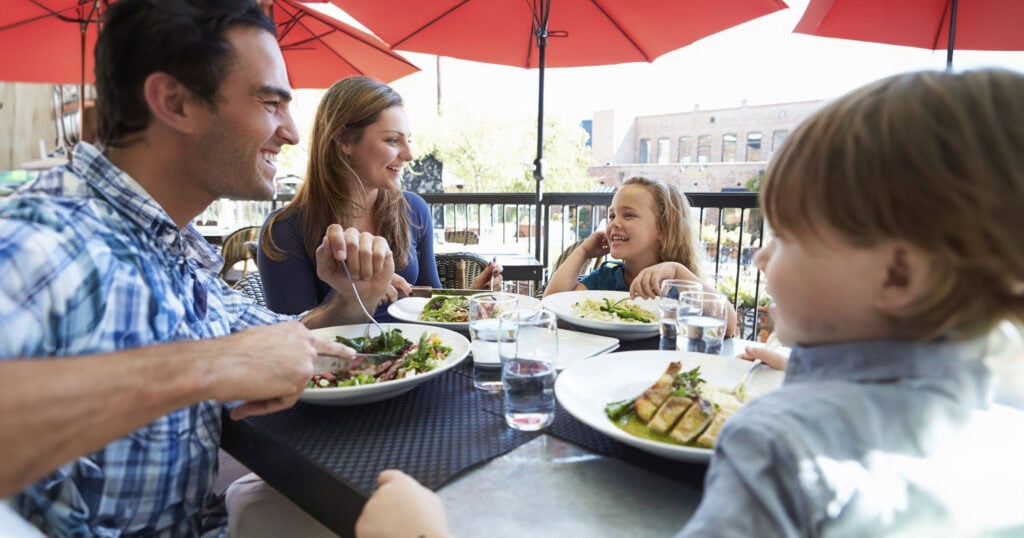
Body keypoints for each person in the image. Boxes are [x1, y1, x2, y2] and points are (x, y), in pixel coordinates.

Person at [354, 68, 1024, 537]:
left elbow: (718, 319)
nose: (761, 256)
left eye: (786, 236)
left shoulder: (777, 444)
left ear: (899, 275)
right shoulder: (1001, 438)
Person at [0, 0, 394, 535]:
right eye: (270, 102)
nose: (294, 132)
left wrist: (345, 304)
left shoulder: (172, 245)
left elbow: (269, 344)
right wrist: (207, 366)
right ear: (175, 101)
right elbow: (225, 357)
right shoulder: (47, 235)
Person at [258, 76, 501, 321]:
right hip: (338, 358)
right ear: (344, 141)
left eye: (408, 139)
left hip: (415, 354)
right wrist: (356, 294)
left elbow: (428, 308)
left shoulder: (413, 209)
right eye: (393, 140)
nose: (409, 154)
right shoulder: (283, 230)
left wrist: (470, 301)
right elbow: (290, 338)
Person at [544, 175, 736, 335]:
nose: (614, 223)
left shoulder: (678, 284)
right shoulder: (606, 278)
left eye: (628, 215)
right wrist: (583, 252)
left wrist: (676, 270)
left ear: (663, 229)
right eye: (612, 216)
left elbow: (728, 325)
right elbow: (553, 307)